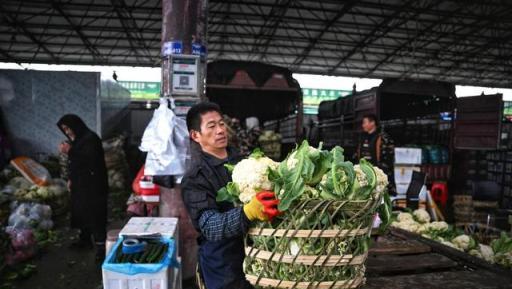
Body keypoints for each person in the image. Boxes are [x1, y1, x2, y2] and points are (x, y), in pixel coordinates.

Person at [181, 102, 280, 289]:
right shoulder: (195, 178)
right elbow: (209, 226)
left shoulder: (244, 160)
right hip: (224, 267)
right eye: (211, 126)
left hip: (259, 255)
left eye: (221, 123)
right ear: (195, 135)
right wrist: (247, 212)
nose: (220, 130)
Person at [57, 114, 108, 261]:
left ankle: (101, 248)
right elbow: (76, 163)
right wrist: (71, 179)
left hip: (94, 185)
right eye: (64, 129)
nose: (67, 132)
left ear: (76, 125)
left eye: (68, 128)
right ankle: (85, 240)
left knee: (96, 214)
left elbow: (90, 159)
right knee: (81, 211)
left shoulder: (91, 139)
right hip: (80, 184)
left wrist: (70, 151)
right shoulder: (78, 140)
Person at [357, 114, 395, 194]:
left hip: (378, 175)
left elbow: (388, 161)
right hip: (366, 174)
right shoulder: (363, 137)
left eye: (365, 122)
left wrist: (380, 176)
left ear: (372, 123)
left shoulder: (383, 138)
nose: (363, 125)